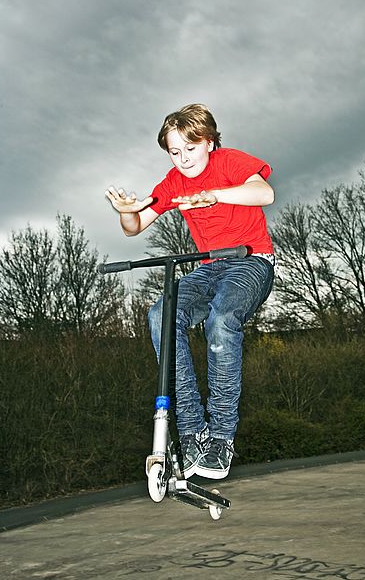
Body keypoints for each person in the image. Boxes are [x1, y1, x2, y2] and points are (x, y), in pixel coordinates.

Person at [105, 103, 275, 479]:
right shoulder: (173, 182)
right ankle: (193, 430)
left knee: (222, 319)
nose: (183, 160)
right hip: (208, 268)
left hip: (251, 261)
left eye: (190, 148)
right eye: (175, 152)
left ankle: (221, 436)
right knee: (159, 316)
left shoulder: (229, 161)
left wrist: (216, 195)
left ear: (209, 142)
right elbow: (134, 228)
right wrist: (126, 211)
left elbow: (264, 194)